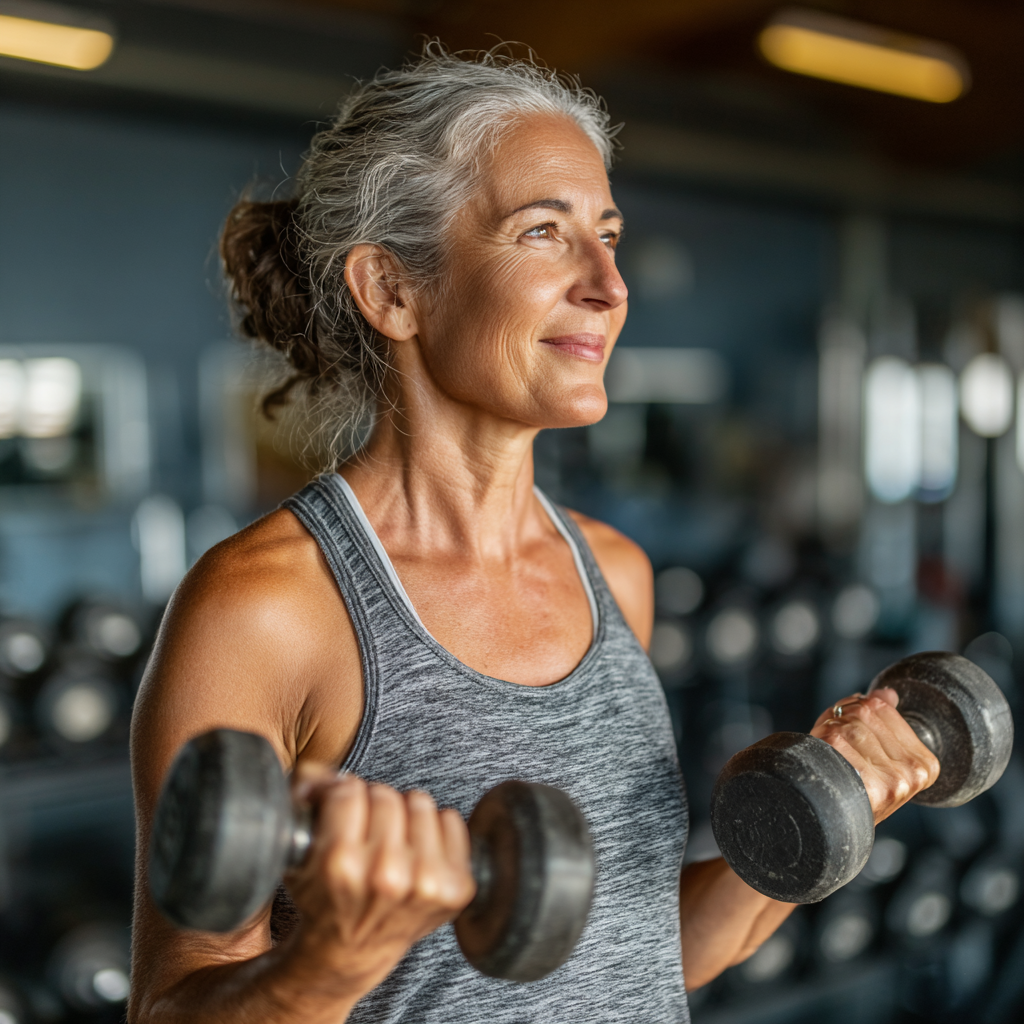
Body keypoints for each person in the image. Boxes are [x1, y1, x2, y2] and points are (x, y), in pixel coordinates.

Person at [128, 46, 939, 1024]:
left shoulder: (613, 573)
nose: (608, 284)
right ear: (392, 290)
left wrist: (828, 814)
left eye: (608, 235)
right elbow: (173, 1001)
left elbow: (643, 952)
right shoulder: (266, 609)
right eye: (543, 232)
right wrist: (329, 966)